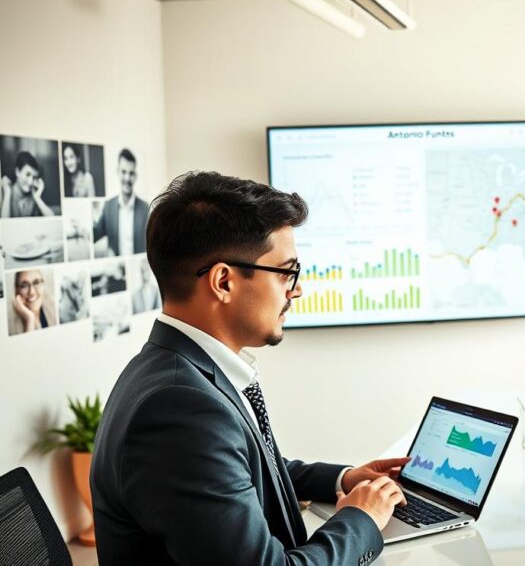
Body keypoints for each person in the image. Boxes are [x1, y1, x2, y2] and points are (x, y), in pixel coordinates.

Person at [92, 171, 407, 565]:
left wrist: (343, 480)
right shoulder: (180, 407)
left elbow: (244, 471)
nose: (297, 289)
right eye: (287, 272)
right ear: (223, 281)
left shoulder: (174, 369)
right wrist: (361, 519)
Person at [93, 148, 149, 255]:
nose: (127, 178)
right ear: (118, 172)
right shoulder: (108, 207)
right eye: (124, 172)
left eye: (131, 173)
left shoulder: (145, 208)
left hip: (138, 269)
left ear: (135, 176)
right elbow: (94, 235)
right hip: (116, 270)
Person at [0, 151, 56, 218]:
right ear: (17, 172)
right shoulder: (4, 193)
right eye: (27, 174)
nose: (30, 182)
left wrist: (37, 198)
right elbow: (4, 226)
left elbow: (53, 219)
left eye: (34, 177)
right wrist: (7, 195)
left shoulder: (34, 197)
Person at [7, 269, 57, 335]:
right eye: (24, 286)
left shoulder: (53, 308)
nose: (31, 292)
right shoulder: (10, 325)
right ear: (16, 290)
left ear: (43, 284)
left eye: (36, 283)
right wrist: (30, 319)